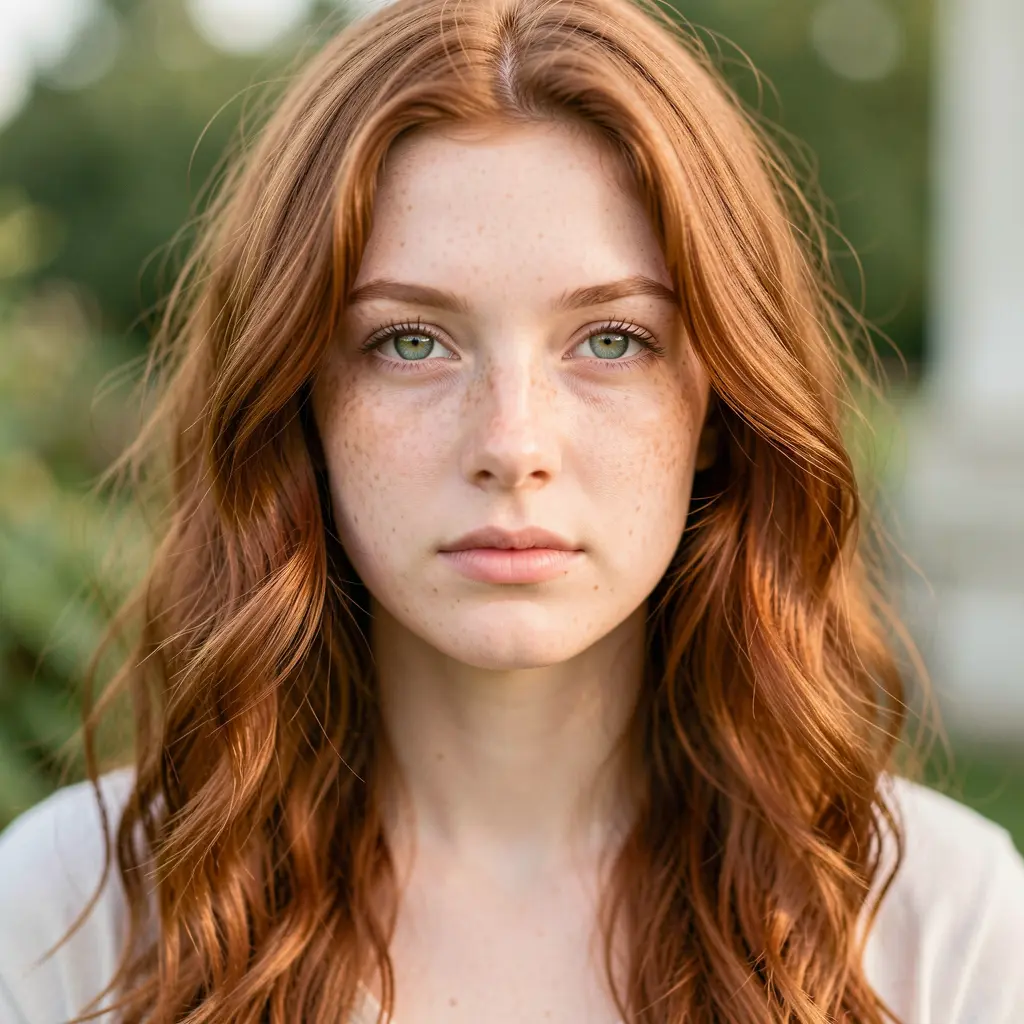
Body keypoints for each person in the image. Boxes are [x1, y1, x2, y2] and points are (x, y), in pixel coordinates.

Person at [2, 0, 1023, 1021]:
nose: (512, 446)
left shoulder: (938, 924)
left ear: (721, 406)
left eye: (611, 339)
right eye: (410, 341)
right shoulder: (67, 913)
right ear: (296, 401)